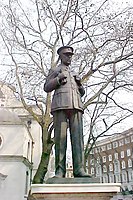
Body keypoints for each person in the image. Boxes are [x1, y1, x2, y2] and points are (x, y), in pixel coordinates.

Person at [44, 46, 91, 178]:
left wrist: (80, 84)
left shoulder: (74, 73)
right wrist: (58, 79)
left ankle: (79, 169)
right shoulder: (55, 70)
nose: (69, 57)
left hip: (76, 106)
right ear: (61, 56)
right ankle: (60, 171)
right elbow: (46, 87)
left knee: (78, 139)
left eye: (71, 55)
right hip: (60, 106)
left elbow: (81, 92)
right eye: (67, 55)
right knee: (60, 139)